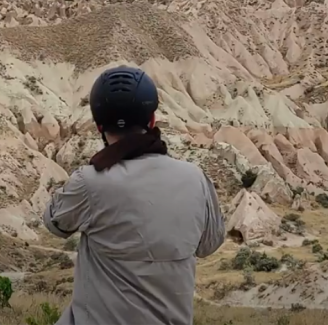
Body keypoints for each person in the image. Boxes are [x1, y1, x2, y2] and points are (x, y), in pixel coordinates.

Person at [43, 65, 226, 325]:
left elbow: (55, 224)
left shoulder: (90, 182)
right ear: (151, 121)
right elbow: (209, 245)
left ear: (98, 125)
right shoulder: (195, 178)